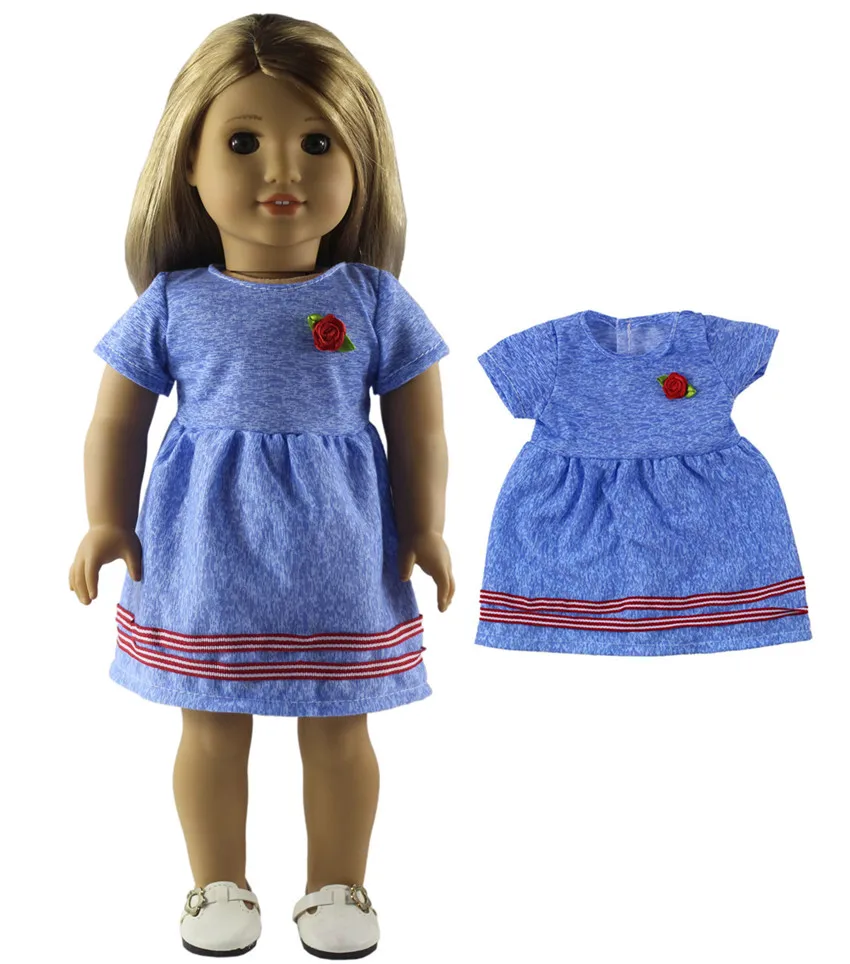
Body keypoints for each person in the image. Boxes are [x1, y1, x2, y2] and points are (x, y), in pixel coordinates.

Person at [68, 12, 454, 959]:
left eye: (318, 144)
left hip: (341, 548)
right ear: (189, 168)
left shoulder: (370, 299)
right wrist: (105, 520)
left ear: (361, 163)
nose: (283, 170)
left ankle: (337, 885)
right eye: (243, 143)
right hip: (205, 545)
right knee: (211, 724)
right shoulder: (173, 302)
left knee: (340, 728)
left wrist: (427, 526)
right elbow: (116, 420)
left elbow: (420, 423)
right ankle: (217, 886)